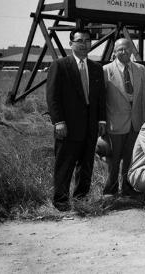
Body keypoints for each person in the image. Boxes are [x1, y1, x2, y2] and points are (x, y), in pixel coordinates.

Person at [46, 28, 106, 211]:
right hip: (67, 126)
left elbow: (100, 97)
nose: (84, 44)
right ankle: (61, 202)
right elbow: (52, 96)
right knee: (65, 165)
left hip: (90, 126)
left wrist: (102, 120)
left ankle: (81, 200)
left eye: (87, 40)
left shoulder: (96, 68)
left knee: (86, 165)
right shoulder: (60, 65)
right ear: (71, 43)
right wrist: (58, 121)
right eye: (79, 40)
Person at [102, 38, 145, 198]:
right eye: (120, 49)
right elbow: (101, 99)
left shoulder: (141, 69)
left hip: (136, 123)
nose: (124, 52)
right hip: (115, 123)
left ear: (132, 50)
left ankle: (127, 189)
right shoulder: (106, 70)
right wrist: (102, 122)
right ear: (114, 52)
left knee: (131, 159)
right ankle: (110, 191)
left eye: (127, 49)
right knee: (113, 160)